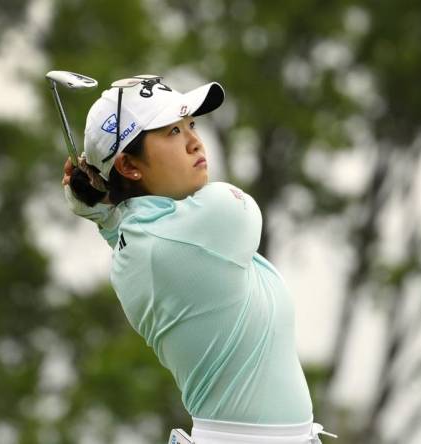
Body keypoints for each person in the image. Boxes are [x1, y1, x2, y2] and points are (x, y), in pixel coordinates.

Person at [62, 74, 335, 443]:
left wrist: (103, 210)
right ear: (128, 166)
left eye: (190, 124)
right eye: (171, 132)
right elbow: (232, 212)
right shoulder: (218, 217)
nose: (194, 142)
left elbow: (129, 225)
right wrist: (102, 209)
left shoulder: (136, 241)